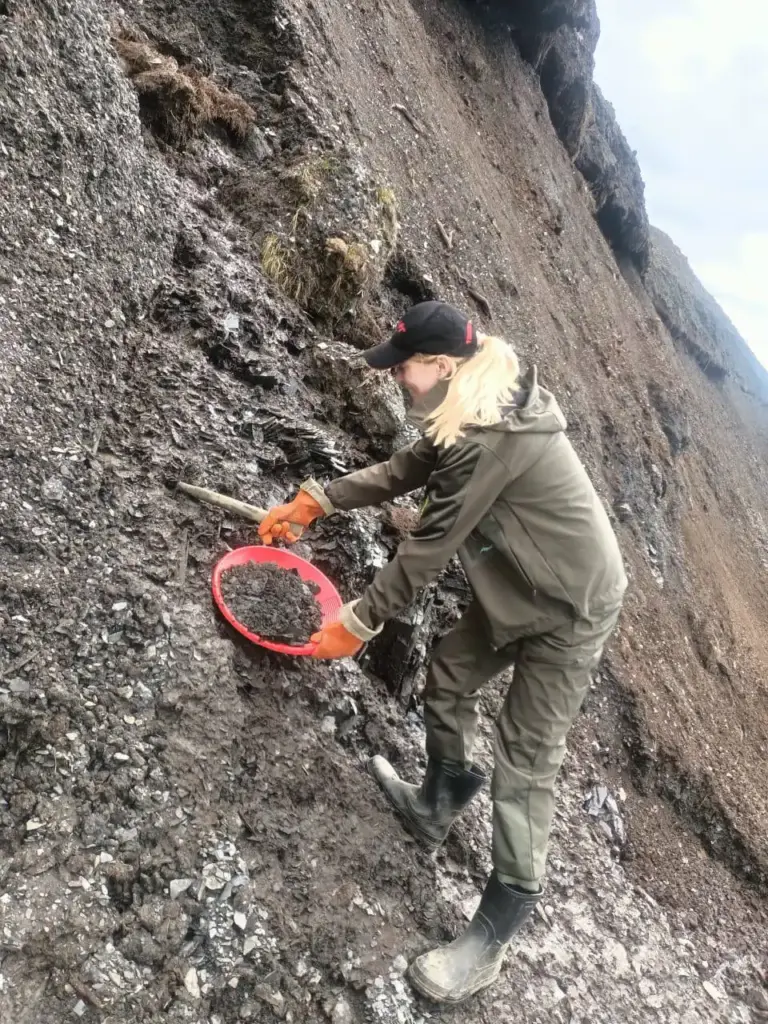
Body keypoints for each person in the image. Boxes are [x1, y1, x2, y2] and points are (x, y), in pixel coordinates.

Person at [258, 301, 627, 1005]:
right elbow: (406, 467)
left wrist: (358, 623)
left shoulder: (493, 435)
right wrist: (318, 501)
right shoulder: (467, 396)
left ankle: (492, 935)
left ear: (444, 364)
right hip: (519, 582)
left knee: (525, 759)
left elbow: (428, 550)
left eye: (404, 368)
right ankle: (438, 799)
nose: (397, 378)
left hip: (571, 608)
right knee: (450, 674)